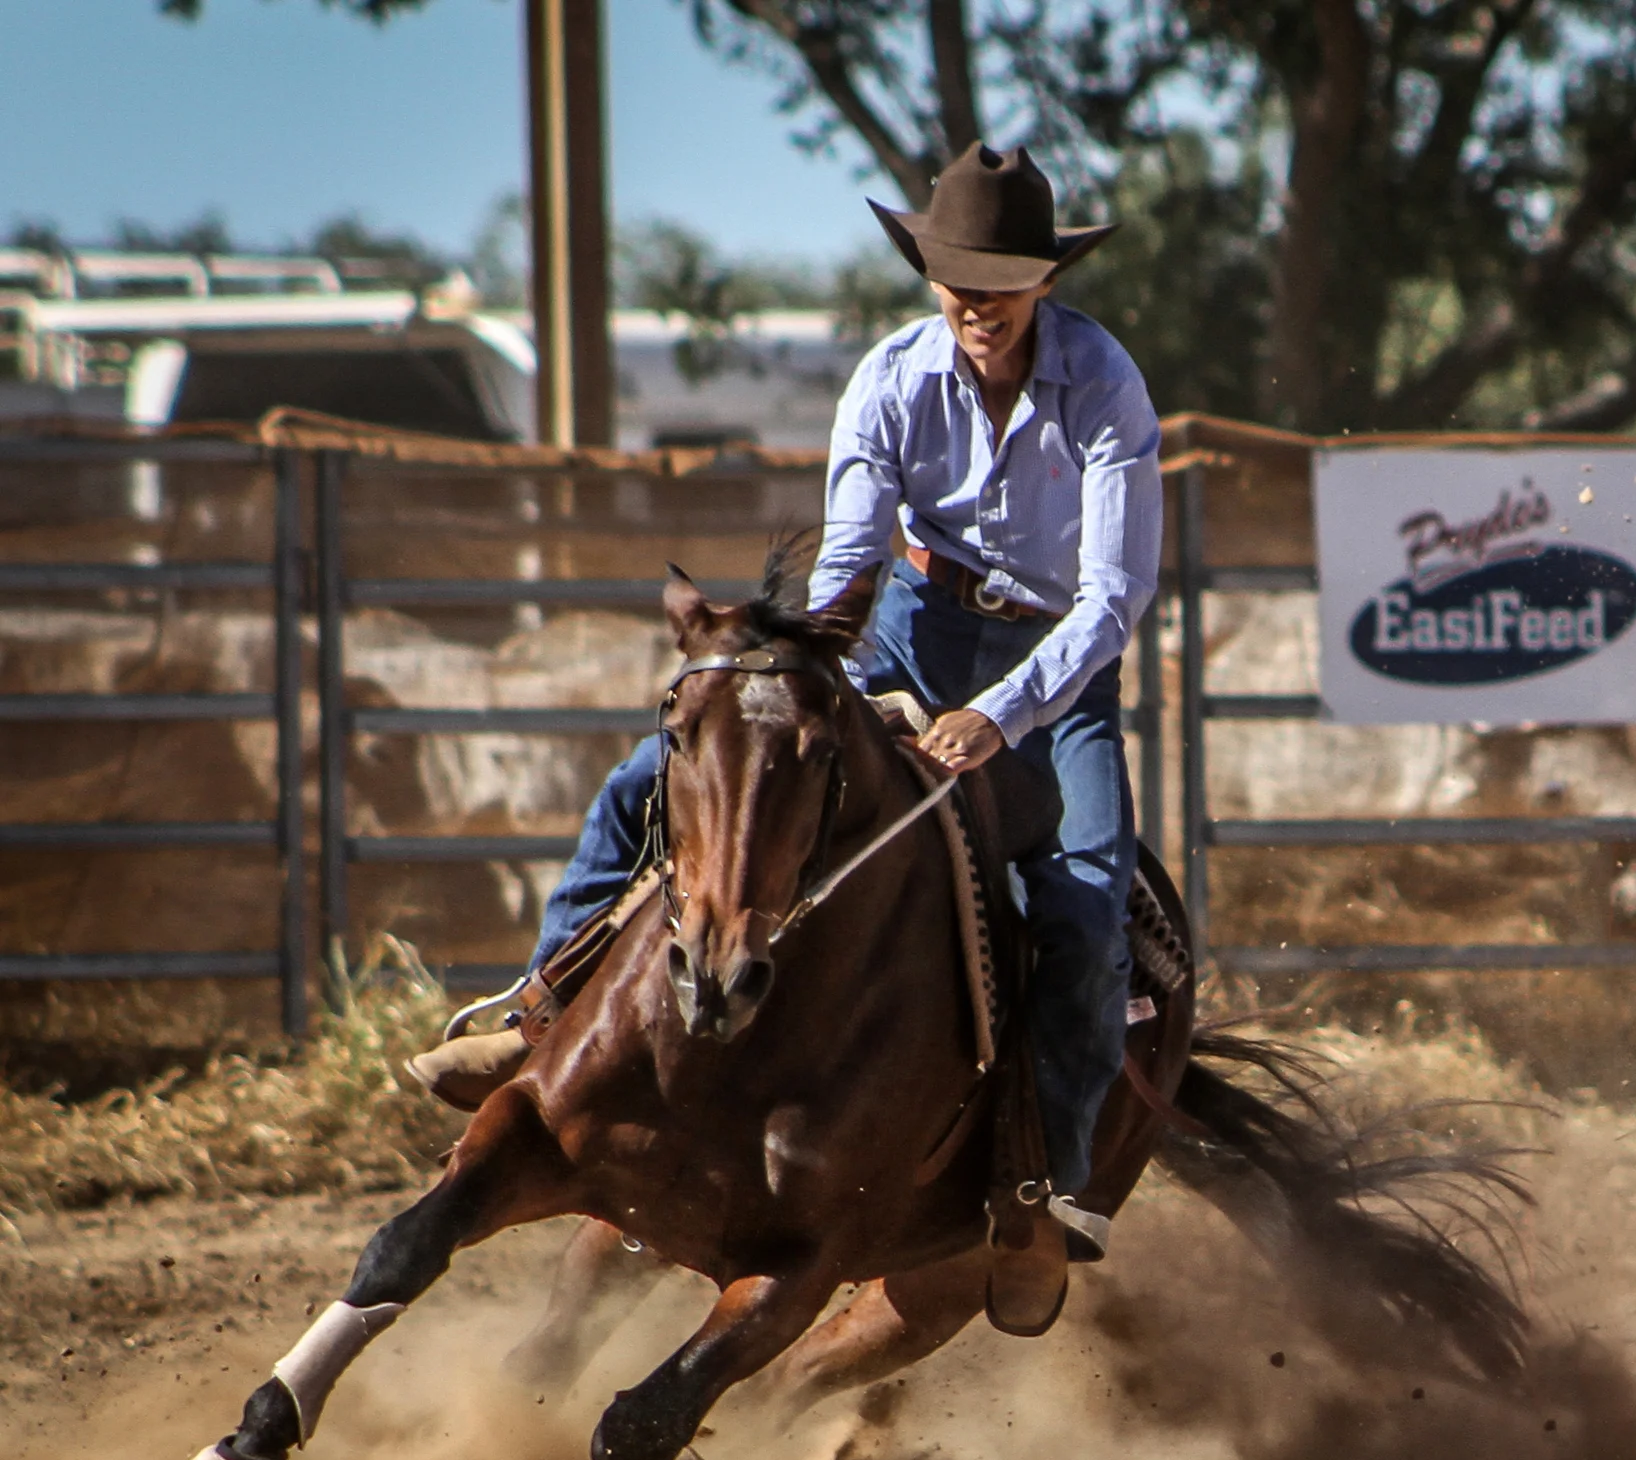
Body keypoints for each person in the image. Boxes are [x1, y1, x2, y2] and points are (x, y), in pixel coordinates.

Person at [406, 143, 1161, 1258]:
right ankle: (534, 1017)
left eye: (1002, 282)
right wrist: (819, 681)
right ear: (930, 276)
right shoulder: (892, 380)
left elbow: (1113, 596)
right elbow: (850, 570)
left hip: (1058, 661)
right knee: (644, 787)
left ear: (1045, 282)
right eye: (959, 278)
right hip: (908, 620)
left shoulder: (1104, 385)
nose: (979, 305)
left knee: (1090, 900)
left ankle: (1041, 1175)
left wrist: (999, 713)